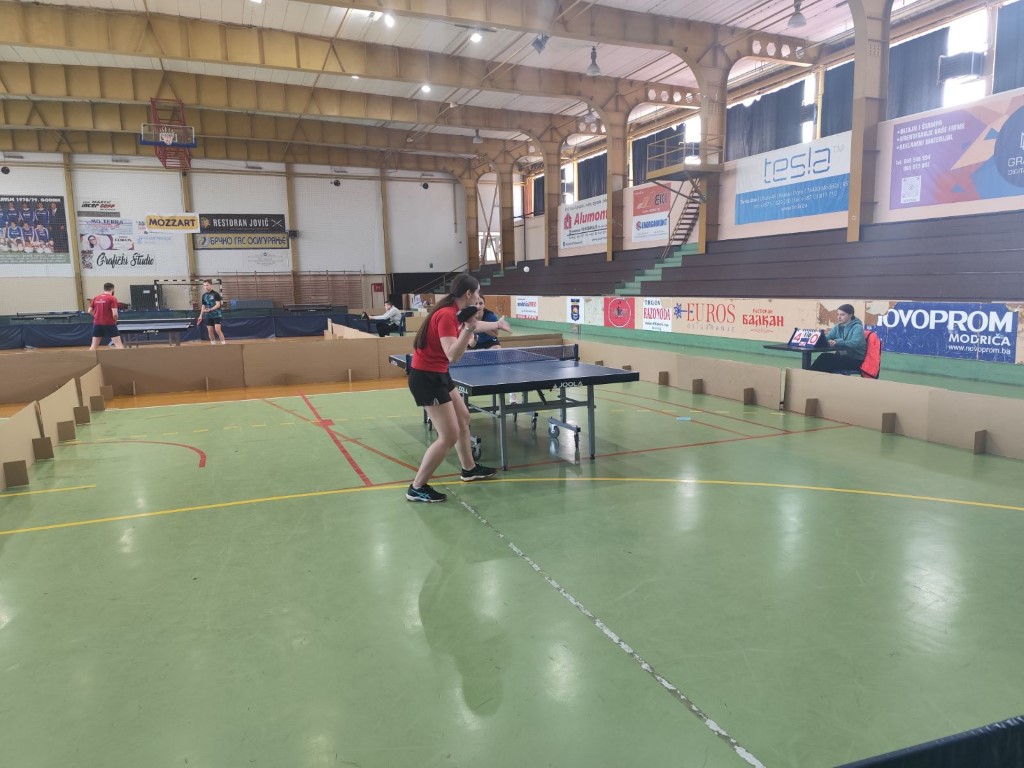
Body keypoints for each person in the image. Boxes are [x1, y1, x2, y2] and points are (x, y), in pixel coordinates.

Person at [405, 274, 510, 503]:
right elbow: (452, 354)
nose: (480, 296)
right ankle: (417, 487)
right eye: (478, 291)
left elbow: (474, 324)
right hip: (427, 378)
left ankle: (469, 469)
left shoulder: (456, 310)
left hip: (439, 373)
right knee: (449, 436)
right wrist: (468, 330)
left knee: (463, 417)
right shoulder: (446, 314)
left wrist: (496, 324)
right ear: (468, 294)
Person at [810, 303, 866, 373]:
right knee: (824, 357)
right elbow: (827, 338)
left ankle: (810, 376)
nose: (839, 317)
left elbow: (854, 343)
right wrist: (817, 339)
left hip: (856, 360)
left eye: (842, 315)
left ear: (851, 315)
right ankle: (811, 376)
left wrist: (837, 342)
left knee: (826, 359)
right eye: (838, 314)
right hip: (844, 357)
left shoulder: (857, 327)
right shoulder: (837, 327)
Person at [88, 282, 124, 350]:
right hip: (109, 323)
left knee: (94, 346)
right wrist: (115, 321)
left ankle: (90, 357)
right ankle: (123, 357)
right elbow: (115, 314)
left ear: (104, 289)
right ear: (112, 289)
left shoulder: (96, 298)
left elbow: (89, 311)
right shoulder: (112, 298)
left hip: (97, 324)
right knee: (118, 345)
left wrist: (97, 316)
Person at [198, 279, 227, 345]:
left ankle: (223, 344)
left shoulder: (215, 294)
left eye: (207, 285)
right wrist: (200, 316)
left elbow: (218, 305)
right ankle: (213, 345)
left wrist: (210, 309)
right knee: (210, 331)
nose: (206, 287)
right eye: (204, 285)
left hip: (217, 315)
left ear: (211, 285)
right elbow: (203, 306)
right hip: (208, 316)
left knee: (217, 330)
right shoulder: (204, 295)